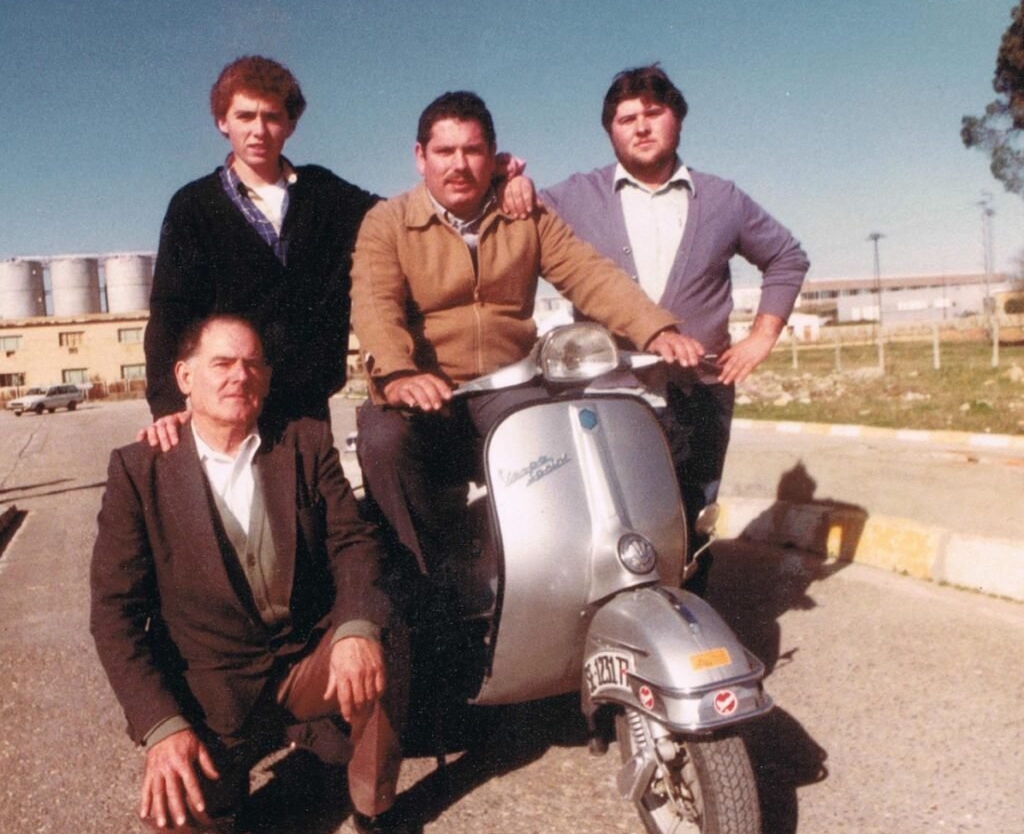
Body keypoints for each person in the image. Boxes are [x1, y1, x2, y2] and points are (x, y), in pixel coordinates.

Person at [91, 315, 416, 834]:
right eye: (222, 363)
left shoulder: (304, 443)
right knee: (177, 820)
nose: (239, 376)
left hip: (304, 662)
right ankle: (241, 771)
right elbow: (113, 614)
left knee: (381, 629)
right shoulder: (138, 471)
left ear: (265, 376)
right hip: (214, 689)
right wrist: (162, 727)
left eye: (252, 364)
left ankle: (375, 808)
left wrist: (356, 629)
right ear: (185, 377)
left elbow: (354, 543)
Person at [351, 90, 700, 581]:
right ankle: (422, 587)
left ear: (493, 156)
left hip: (506, 384)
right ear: (420, 157)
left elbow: (588, 273)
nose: (459, 165)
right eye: (444, 151)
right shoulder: (387, 222)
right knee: (384, 443)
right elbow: (374, 303)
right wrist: (398, 372)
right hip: (423, 389)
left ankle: (537, 585)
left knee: (556, 448)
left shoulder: (525, 215)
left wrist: (654, 327)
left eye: (472, 151)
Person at [142, 55, 530, 448]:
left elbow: (403, 217)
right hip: (227, 401)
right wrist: (167, 403)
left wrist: (492, 182)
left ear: (290, 124)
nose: (259, 130)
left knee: (312, 490)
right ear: (222, 122)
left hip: (307, 407)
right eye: (245, 116)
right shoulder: (193, 206)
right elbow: (169, 311)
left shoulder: (326, 194)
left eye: (272, 117)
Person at [541, 64, 810, 587]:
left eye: (653, 113)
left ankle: (691, 623)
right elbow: (511, 217)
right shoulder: (572, 197)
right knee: (611, 530)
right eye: (626, 119)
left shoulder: (722, 199)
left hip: (700, 389)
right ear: (610, 131)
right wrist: (509, 178)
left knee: (690, 524)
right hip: (609, 394)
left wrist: (761, 337)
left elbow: (786, 257)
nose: (641, 127)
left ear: (678, 120)